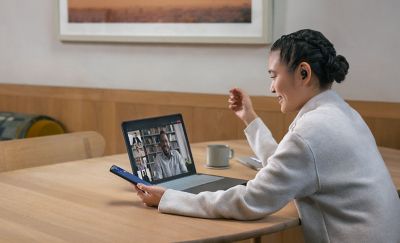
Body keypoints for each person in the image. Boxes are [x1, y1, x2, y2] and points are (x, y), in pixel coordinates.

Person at [133, 29, 400, 242]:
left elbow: (252, 201)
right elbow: (289, 168)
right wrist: (249, 117)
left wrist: (169, 198)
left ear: (303, 73)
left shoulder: (313, 131)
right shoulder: (342, 113)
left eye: (273, 76)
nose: (271, 87)